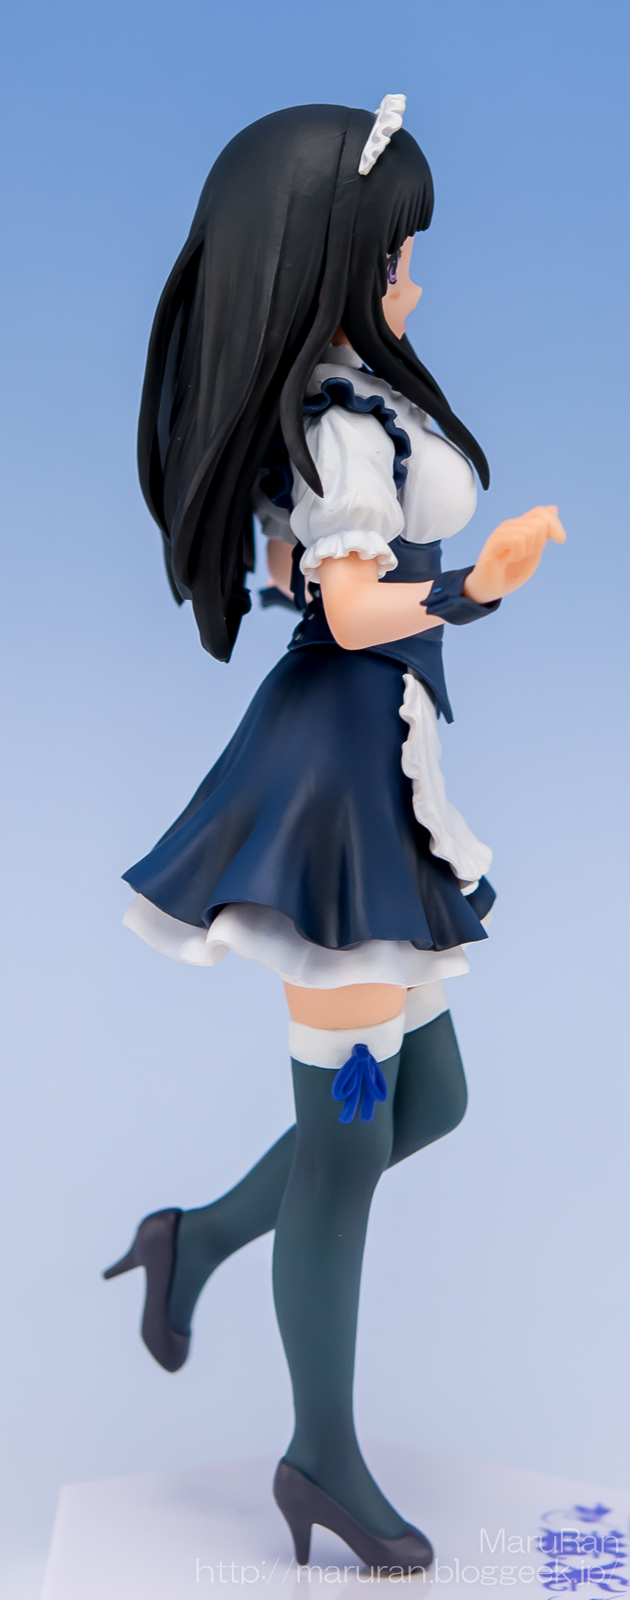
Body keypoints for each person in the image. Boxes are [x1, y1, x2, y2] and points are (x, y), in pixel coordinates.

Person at [104, 97, 565, 1573]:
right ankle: (318, 1457)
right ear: (336, 258)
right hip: (337, 790)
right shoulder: (334, 424)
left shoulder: (356, 390)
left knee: (425, 1106)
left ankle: (191, 1239)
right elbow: (351, 606)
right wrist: (478, 588)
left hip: (383, 759)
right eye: (395, 252)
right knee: (349, 1146)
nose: (413, 278)